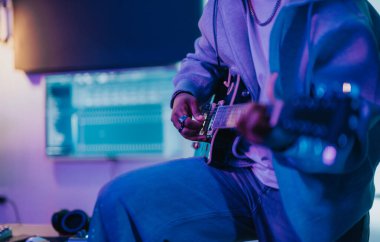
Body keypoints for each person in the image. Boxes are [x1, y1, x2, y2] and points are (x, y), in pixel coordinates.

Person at [88, 0, 380, 241]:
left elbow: (346, 137)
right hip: (241, 168)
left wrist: (280, 135)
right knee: (119, 202)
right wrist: (187, 89)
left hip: (311, 191)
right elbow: (205, 54)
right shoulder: (223, 4)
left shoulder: (337, 11)